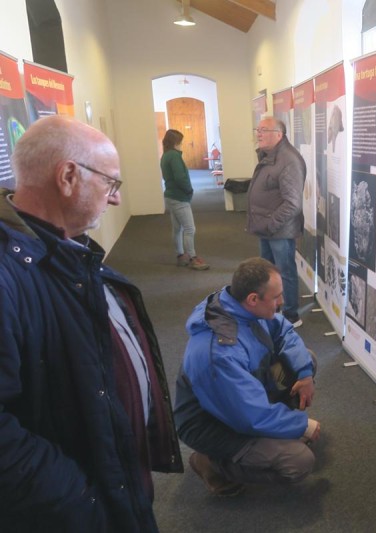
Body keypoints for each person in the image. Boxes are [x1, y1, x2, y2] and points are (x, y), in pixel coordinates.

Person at [0, 115, 183, 531]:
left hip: (111, 482)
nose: (115, 199)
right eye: (111, 183)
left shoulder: (65, 252)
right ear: (68, 177)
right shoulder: (12, 275)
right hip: (77, 509)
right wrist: (79, 498)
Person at [173, 257, 321, 497]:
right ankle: (210, 463)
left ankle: (269, 436)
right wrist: (301, 425)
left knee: (307, 359)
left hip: (238, 398)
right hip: (210, 424)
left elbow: (283, 330)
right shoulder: (220, 353)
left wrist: (304, 374)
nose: (282, 302)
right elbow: (250, 415)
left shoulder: (239, 304)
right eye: (276, 297)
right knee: (298, 461)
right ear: (253, 299)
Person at [247, 117, 306, 327]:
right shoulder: (271, 155)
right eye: (258, 129)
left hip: (278, 230)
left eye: (263, 130)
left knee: (285, 272)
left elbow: (293, 204)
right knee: (269, 272)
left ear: (278, 135)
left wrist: (270, 224)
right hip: (267, 229)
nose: (258, 133)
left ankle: (291, 315)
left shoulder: (288, 160)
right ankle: (274, 309)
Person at [161, 128, 209, 270]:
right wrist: (189, 190)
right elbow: (180, 177)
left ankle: (181, 256)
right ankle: (193, 258)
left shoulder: (165, 155)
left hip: (170, 195)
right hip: (179, 197)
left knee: (177, 229)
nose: (181, 144)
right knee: (189, 228)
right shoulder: (174, 156)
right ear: (175, 142)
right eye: (180, 142)